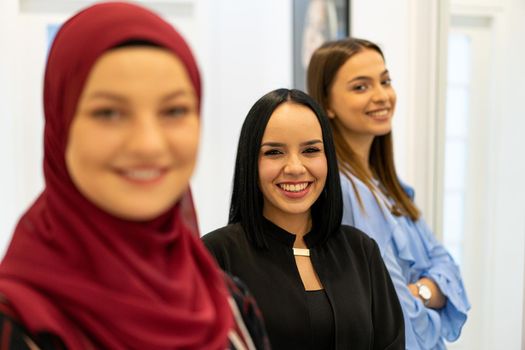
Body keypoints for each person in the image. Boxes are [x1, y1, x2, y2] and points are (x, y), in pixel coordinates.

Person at [0, 3, 269, 349]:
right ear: (60, 124)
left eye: (174, 110)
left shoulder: (229, 302)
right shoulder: (18, 321)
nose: (148, 144)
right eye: (109, 112)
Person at [203, 88, 405, 349]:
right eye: (274, 152)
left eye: (310, 150)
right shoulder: (216, 255)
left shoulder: (361, 251)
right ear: (250, 161)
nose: (296, 168)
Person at [307, 38, 471, 349]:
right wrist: (430, 296)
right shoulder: (346, 190)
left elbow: (446, 263)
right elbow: (391, 309)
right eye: (360, 87)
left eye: (385, 81)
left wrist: (418, 291)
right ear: (327, 104)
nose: (382, 96)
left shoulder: (386, 183)